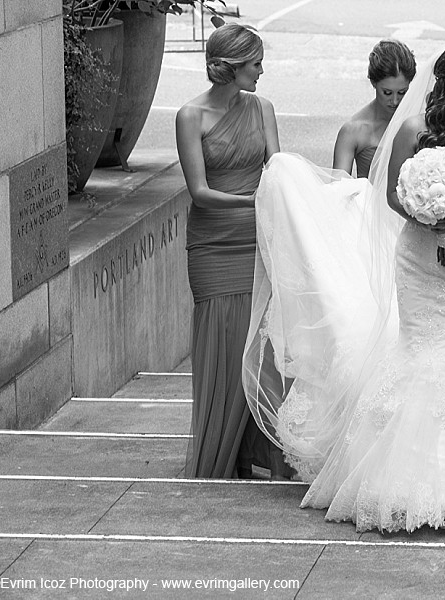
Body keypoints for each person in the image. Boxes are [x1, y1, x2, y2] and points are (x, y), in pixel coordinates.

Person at [244, 44, 445, 532]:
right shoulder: (416, 131)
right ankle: (409, 482)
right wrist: (430, 216)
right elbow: (392, 194)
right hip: (423, 263)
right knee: (422, 351)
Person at [175, 23, 291, 479]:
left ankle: (266, 453)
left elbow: (277, 172)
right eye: (256, 64)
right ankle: (222, 453)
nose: (262, 72)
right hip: (213, 245)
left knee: (262, 348)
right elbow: (199, 192)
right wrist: (252, 201)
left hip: (257, 241)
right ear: (233, 67)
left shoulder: (263, 108)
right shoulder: (191, 116)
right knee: (223, 345)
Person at [333, 39, 416, 177]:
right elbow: (338, 188)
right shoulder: (353, 130)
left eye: (402, 92)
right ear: (373, 82)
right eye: (387, 93)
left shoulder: (417, 120)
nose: (395, 101)